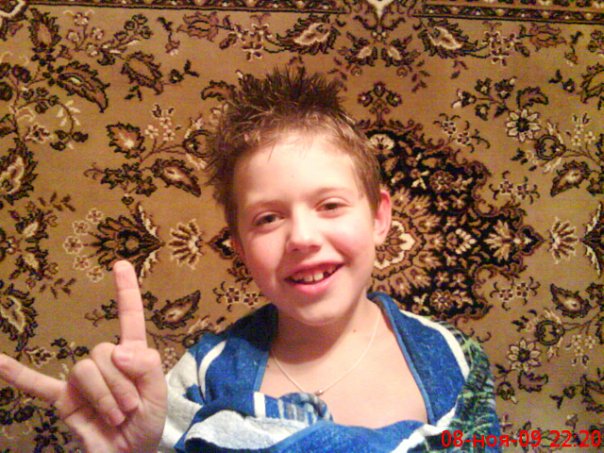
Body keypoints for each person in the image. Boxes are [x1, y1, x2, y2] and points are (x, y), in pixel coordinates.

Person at [0, 68, 500, 452]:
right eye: (268, 218)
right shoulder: (199, 382)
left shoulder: (455, 360)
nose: (302, 237)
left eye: (330, 205)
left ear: (379, 217)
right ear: (239, 248)